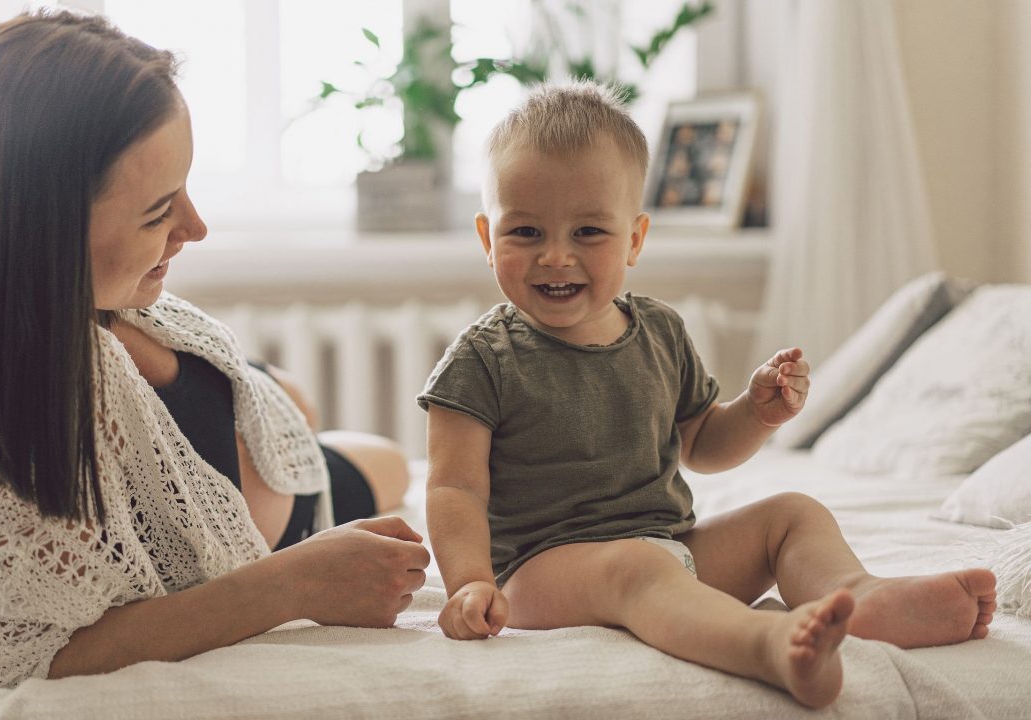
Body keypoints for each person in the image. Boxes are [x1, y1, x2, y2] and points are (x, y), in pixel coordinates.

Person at [0, 10, 428, 688]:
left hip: (253, 439)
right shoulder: (35, 386)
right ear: (45, 227)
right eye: (159, 210)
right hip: (284, 513)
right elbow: (18, 654)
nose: (196, 226)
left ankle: (281, 405)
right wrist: (296, 582)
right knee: (393, 463)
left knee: (304, 408)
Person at [417, 81, 997, 709]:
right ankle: (767, 645)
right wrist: (471, 584)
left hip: (672, 545)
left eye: (588, 232)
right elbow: (455, 490)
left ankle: (857, 597)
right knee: (636, 571)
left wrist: (757, 413)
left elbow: (702, 443)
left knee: (790, 513)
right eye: (525, 232)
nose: (556, 256)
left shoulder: (660, 332)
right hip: (542, 572)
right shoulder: (482, 361)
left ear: (635, 239)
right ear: (486, 237)